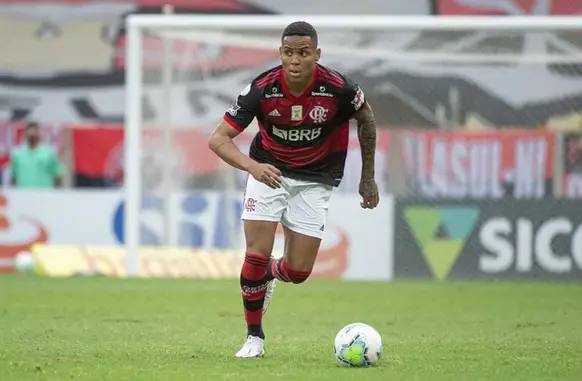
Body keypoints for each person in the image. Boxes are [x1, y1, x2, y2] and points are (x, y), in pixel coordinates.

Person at [208, 21, 379, 358]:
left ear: (317, 54)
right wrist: (253, 167)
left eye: (303, 53)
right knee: (255, 253)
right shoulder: (261, 89)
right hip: (267, 172)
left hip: (316, 178)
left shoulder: (339, 89)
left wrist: (367, 177)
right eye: (289, 53)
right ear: (280, 54)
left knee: (298, 272)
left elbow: (367, 119)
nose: (296, 60)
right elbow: (217, 140)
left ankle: (268, 274)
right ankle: (254, 337)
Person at [10, 122, 63, 188]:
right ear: (25, 134)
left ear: (39, 134)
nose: (32, 136)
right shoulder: (17, 154)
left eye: (34, 134)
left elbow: (57, 174)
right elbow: (13, 176)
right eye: (29, 134)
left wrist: (56, 193)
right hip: (23, 194)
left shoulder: (49, 153)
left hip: (45, 193)